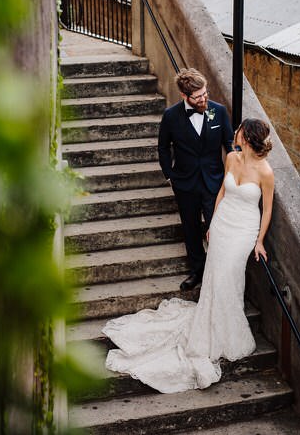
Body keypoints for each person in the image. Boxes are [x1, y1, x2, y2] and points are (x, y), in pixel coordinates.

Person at [103, 118, 275, 393]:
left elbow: (266, 209)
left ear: (248, 136)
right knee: (214, 276)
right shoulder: (231, 157)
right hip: (222, 224)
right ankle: (210, 321)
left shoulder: (266, 172)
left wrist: (260, 241)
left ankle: (227, 330)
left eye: (239, 131)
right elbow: (221, 191)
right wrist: (212, 222)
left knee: (229, 277)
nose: (235, 133)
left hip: (244, 230)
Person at [157, 68, 233, 291]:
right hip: (185, 183)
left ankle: (218, 273)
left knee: (216, 228)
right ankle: (197, 271)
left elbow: (229, 144)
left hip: (214, 182)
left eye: (205, 94)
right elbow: (163, 147)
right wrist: (169, 175)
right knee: (190, 229)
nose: (203, 99)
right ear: (184, 96)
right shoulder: (171, 116)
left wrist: (232, 173)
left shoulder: (217, 111)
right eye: (198, 97)